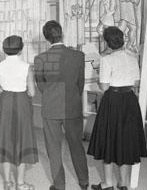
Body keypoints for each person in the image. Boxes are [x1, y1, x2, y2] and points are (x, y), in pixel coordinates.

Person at [88, 26, 147, 190]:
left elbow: (104, 86)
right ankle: (123, 184)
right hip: (129, 101)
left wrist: (99, 79)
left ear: (107, 43)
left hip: (112, 101)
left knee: (108, 139)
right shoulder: (132, 58)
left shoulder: (106, 60)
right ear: (122, 39)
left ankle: (107, 183)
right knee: (125, 140)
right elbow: (136, 82)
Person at [34, 20, 89, 190]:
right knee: (76, 145)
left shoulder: (40, 58)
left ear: (46, 38)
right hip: (72, 106)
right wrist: (72, 97)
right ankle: (84, 181)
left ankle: (59, 185)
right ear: (62, 34)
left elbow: (41, 85)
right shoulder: (78, 56)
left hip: (51, 107)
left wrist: (52, 95)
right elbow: (80, 83)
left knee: (53, 148)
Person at [0, 35, 38, 190]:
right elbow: (32, 92)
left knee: (5, 138)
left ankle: (7, 182)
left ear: (4, 50)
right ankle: (20, 183)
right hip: (22, 103)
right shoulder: (27, 67)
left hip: (5, 102)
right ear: (21, 49)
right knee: (22, 139)